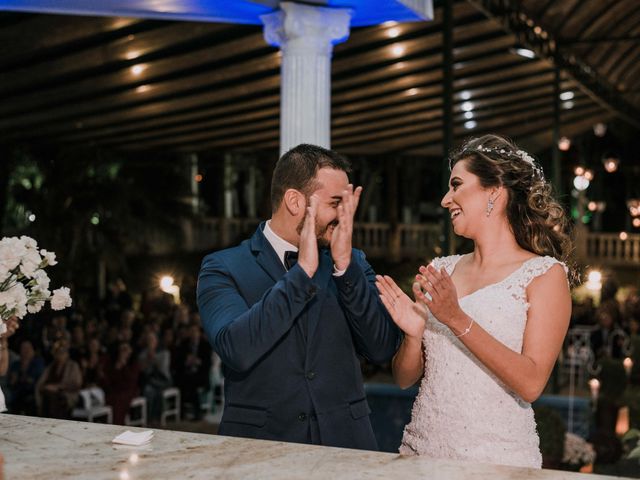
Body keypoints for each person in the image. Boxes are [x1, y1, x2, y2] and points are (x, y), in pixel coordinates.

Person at [376, 134, 572, 468]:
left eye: (456, 185)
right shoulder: (442, 269)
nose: (444, 200)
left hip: (497, 462)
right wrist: (412, 335)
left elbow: (531, 383)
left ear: (494, 190)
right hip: (421, 455)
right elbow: (404, 379)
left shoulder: (545, 276)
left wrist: (456, 318)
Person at [197, 143, 400, 450]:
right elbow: (236, 348)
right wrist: (302, 274)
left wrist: (345, 269)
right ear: (294, 201)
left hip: (345, 445)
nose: (343, 217)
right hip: (259, 449)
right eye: (336, 203)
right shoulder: (222, 267)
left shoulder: (353, 262)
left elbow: (381, 348)